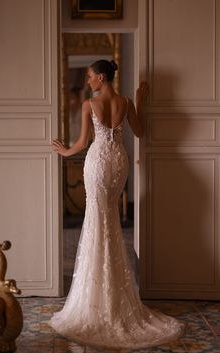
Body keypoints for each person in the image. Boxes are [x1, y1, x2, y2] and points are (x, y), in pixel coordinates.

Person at [50, 59, 184, 351]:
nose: (87, 82)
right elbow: (139, 132)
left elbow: (83, 143)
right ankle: (115, 296)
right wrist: (138, 101)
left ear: (100, 77)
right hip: (118, 163)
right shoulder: (125, 102)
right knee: (110, 221)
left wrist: (64, 152)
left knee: (97, 222)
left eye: (89, 77)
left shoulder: (89, 104)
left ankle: (97, 298)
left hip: (98, 163)